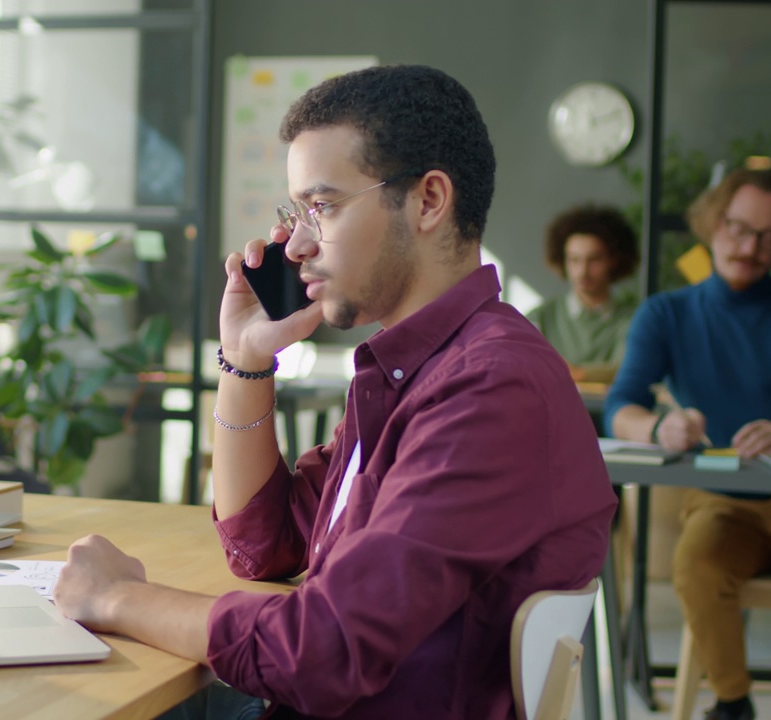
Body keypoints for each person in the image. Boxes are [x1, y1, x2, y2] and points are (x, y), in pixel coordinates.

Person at [52, 65, 617, 719]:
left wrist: (117, 598)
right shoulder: (416, 370)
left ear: (429, 200)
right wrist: (245, 359)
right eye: (296, 213)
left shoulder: (488, 389)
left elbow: (322, 651)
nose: (298, 244)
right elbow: (264, 547)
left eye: (322, 206)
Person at [604, 167, 771, 720]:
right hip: (721, 500)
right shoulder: (666, 313)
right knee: (696, 569)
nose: (750, 247)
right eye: (739, 228)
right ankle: (733, 704)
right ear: (712, 225)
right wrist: (657, 428)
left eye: (769, 237)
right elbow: (621, 405)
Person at [525, 203, 640, 384]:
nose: (583, 271)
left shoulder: (633, 319)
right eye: (574, 260)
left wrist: (574, 373)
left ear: (614, 261)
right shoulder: (541, 316)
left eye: (594, 260)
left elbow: (627, 369)